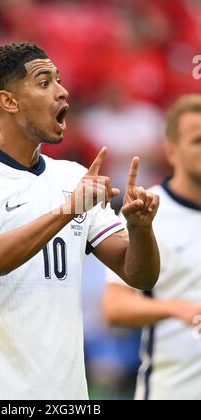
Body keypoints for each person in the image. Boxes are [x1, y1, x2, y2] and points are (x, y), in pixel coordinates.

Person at [0, 42, 160, 400]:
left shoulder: (72, 177)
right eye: (45, 82)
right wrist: (67, 211)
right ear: (9, 101)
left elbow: (139, 274)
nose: (62, 91)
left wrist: (141, 227)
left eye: (59, 80)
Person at [103, 94, 201, 401]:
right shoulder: (145, 212)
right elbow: (114, 307)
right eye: (198, 140)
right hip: (172, 389)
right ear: (171, 151)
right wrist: (177, 308)